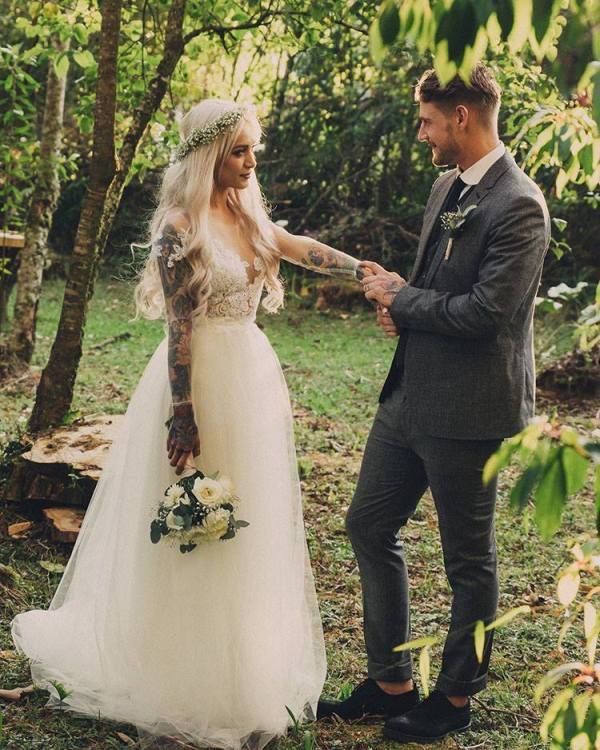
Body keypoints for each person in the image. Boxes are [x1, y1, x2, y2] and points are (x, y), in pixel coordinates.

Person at [11, 99, 363, 750]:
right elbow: (178, 326)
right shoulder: (178, 225)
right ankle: (179, 674)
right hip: (197, 387)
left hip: (251, 383)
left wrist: (361, 272)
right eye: (238, 151)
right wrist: (182, 413)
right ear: (208, 155)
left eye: (253, 149)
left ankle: (239, 665)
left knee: (244, 527)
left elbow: (296, 248)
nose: (250, 161)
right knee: (194, 528)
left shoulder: (248, 209)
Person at [317, 64, 550, 744]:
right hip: (409, 398)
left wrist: (403, 301)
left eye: (426, 121)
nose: (421, 134)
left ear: (462, 118)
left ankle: (454, 697)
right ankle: (390, 680)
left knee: (467, 563)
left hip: (471, 412)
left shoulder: (521, 205)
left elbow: (487, 312)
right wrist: (401, 299)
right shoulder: (445, 186)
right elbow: (433, 289)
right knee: (368, 524)